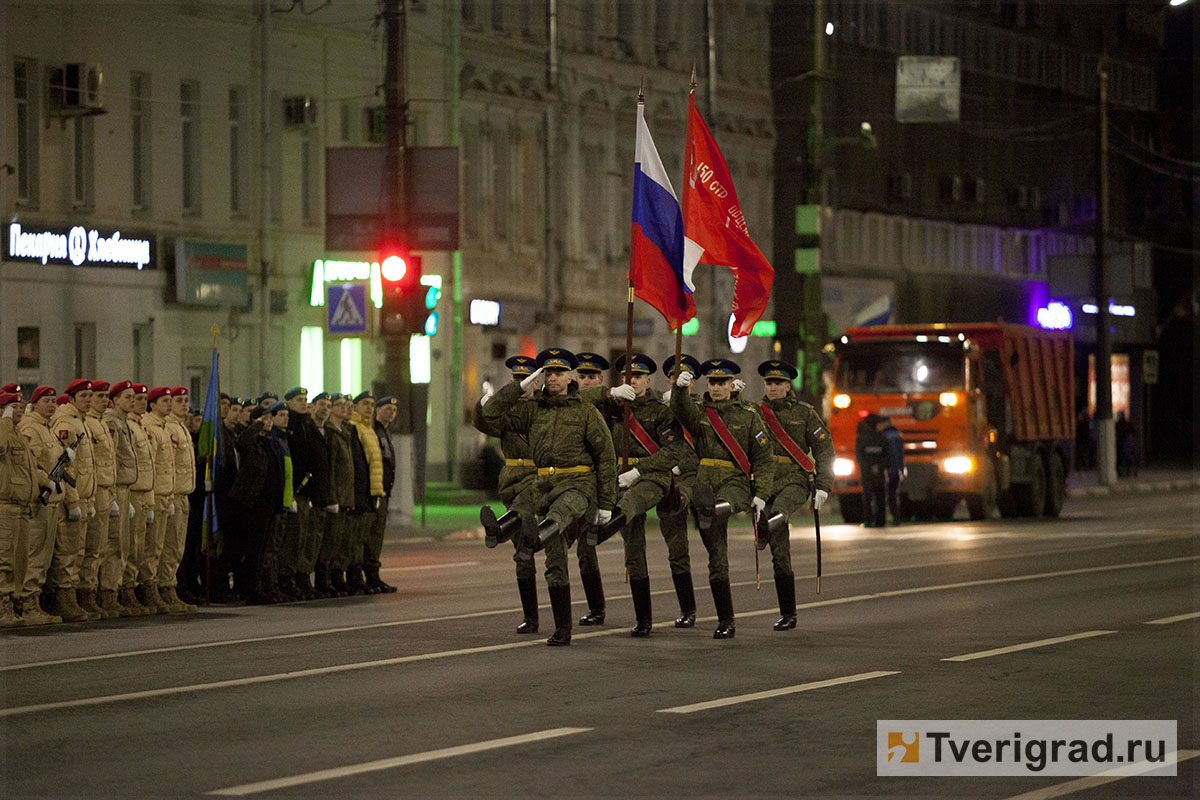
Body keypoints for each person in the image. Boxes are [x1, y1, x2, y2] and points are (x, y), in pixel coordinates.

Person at [480, 348, 616, 646]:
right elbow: (491, 413)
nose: (553, 378)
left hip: (577, 483)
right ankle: (501, 530)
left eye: (558, 372)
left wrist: (606, 503)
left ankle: (562, 627)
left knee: (556, 534)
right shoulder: (534, 410)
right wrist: (520, 386)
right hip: (544, 481)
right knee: (522, 505)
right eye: (548, 373)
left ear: (570, 376)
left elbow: (605, 458)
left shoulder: (585, 411)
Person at [582, 352, 688, 637]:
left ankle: (601, 531)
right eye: (627, 377)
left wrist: (639, 470)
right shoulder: (613, 405)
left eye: (638, 377)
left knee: (631, 505)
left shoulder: (660, 409)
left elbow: (673, 450)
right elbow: (577, 403)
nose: (633, 381)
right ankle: (644, 619)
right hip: (619, 477)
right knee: (633, 551)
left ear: (648, 380)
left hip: (652, 477)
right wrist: (609, 392)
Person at [670, 358, 775, 640]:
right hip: (704, 482)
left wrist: (762, 495)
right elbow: (679, 411)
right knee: (716, 556)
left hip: (734, 481)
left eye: (721, 383)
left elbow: (764, 460)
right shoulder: (700, 413)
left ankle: (714, 509)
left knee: (722, 505)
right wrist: (680, 390)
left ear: (731, 385)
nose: (715, 388)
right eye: (712, 383)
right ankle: (725, 619)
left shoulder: (748, 415)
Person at [753, 360, 835, 630]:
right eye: (769, 383)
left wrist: (823, 485)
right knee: (780, 554)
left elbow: (823, 449)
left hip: (796, 480)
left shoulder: (805, 413)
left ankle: (767, 524)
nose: (773, 387)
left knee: (783, 508)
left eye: (778, 383)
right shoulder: (754, 413)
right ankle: (788, 613)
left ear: (788, 387)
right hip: (765, 484)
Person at [476, 355, 544, 634]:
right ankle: (531, 617)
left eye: (525, 379)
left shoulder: (545, 407)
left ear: (536, 381)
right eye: (516, 379)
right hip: (514, 481)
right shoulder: (505, 412)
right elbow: (484, 423)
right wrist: (483, 406)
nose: (521, 384)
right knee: (523, 553)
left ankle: (500, 529)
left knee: (554, 554)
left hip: (544, 479)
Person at [16, 386, 68, 625]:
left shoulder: (47, 429)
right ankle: (27, 602)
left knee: (45, 557)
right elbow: (29, 464)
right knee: (34, 554)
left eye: (54, 401)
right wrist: (46, 482)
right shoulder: (30, 428)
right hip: (39, 499)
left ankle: (34, 600)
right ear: (35, 404)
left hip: (51, 501)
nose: (52, 405)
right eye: (46, 401)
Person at [657, 353, 702, 627]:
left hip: (700, 478)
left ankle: (726, 613)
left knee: (715, 550)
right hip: (669, 481)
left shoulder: (703, 408)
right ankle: (688, 610)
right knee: (677, 549)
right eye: (673, 376)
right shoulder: (659, 407)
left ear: (693, 382)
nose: (677, 380)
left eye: (684, 377)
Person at [48, 379, 98, 622]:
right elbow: (65, 468)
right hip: (72, 498)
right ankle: (63, 599)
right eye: (83, 396)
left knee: (79, 550)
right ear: (70, 399)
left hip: (86, 496)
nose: (89, 399)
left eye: (90, 395)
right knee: (67, 551)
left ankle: (74, 597)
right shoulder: (67, 423)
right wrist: (73, 502)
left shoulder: (81, 421)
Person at [281, 387, 332, 600]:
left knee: (303, 539)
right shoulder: (291, 425)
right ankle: (287, 579)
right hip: (294, 492)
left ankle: (299, 579)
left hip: (306, 492)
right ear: (289, 403)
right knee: (292, 540)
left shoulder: (305, 425)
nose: (304, 403)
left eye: (305, 400)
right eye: (299, 400)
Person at [0, 390, 39, 626]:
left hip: (22, 506)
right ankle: (2, 605)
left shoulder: (16, 434)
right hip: (5, 505)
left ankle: (13, 602)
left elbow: (29, 469)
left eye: (21, 405)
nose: (20, 409)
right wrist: (4, 421)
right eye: (13, 406)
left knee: (20, 559)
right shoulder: (3, 431)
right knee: (3, 558)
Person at [347, 391, 384, 594]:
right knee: (357, 538)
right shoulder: (356, 428)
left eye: (372, 404)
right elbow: (359, 465)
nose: (369, 407)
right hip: (362, 492)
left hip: (373, 491)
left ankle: (370, 576)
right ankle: (354, 577)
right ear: (356, 407)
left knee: (368, 538)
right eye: (365, 404)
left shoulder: (369, 428)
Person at [367, 396, 398, 593]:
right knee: (372, 535)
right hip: (376, 491)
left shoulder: (385, 432)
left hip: (383, 491)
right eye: (387, 409)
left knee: (376, 536)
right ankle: (370, 576)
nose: (391, 413)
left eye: (394, 410)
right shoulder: (374, 431)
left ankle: (373, 575)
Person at [855, 413, 889, 528]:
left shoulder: (861, 438)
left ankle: (868, 520)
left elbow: (860, 456)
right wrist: (878, 466)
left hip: (867, 473)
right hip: (879, 473)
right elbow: (887, 455)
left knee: (868, 497)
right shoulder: (882, 437)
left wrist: (868, 467)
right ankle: (881, 521)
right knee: (880, 497)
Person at [881, 417, 905, 524]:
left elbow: (885, 454)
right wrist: (901, 469)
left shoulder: (883, 435)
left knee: (884, 495)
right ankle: (896, 518)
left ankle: (883, 518)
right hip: (895, 470)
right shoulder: (897, 434)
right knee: (893, 494)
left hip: (887, 469)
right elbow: (900, 453)